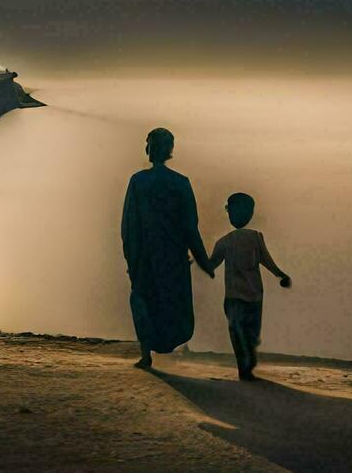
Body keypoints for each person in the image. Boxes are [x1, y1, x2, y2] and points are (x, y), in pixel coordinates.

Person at [121, 127, 212, 369]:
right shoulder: (180, 183)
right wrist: (204, 261)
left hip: (148, 258)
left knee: (144, 304)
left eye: (149, 143)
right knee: (167, 305)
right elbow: (190, 227)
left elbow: (129, 225)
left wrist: (132, 258)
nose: (147, 148)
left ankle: (146, 355)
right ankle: (155, 352)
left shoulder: (139, 181)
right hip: (171, 259)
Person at [206, 192, 291, 381]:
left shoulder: (225, 241)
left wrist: (196, 261)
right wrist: (280, 274)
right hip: (253, 296)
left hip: (236, 297)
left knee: (239, 333)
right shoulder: (254, 238)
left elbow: (211, 265)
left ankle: (245, 367)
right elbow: (267, 261)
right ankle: (246, 367)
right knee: (249, 333)